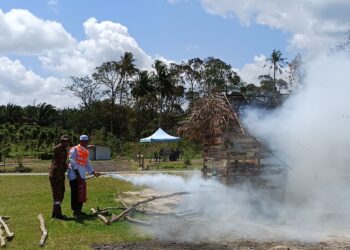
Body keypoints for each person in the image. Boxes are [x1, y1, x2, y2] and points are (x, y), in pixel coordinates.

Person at [67, 135, 100, 218]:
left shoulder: (86, 151)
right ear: (81, 141)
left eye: (87, 141)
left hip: (81, 175)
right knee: (75, 194)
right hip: (74, 176)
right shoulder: (74, 149)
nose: (86, 143)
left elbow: (87, 163)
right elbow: (71, 161)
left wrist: (93, 172)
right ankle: (75, 212)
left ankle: (79, 211)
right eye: (85, 142)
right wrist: (77, 174)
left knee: (81, 193)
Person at [49, 134, 70, 220]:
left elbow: (63, 162)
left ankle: (54, 213)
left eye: (67, 141)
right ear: (61, 141)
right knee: (57, 194)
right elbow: (59, 161)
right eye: (64, 141)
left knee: (61, 193)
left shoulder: (64, 149)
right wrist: (66, 165)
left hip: (60, 175)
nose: (66, 143)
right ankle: (58, 214)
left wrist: (66, 166)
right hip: (56, 175)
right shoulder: (58, 149)